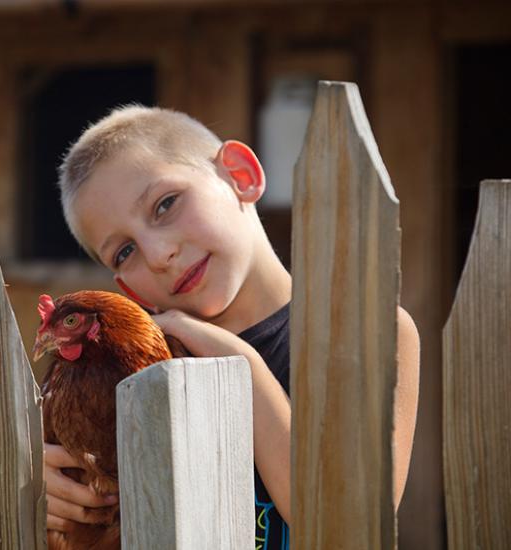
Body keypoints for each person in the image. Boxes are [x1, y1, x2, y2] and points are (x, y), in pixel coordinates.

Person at [44, 105, 420, 547]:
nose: (159, 252)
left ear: (240, 175)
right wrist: (50, 490)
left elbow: (345, 526)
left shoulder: (367, 333)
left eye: (165, 204)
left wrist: (242, 364)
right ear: (130, 290)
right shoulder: (134, 373)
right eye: (125, 252)